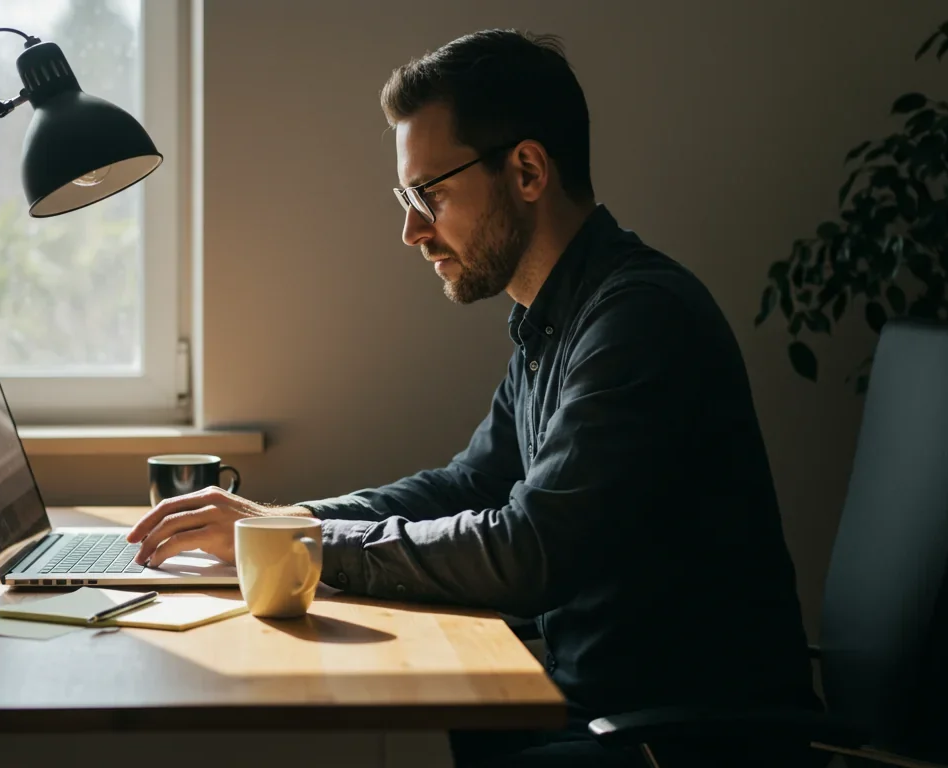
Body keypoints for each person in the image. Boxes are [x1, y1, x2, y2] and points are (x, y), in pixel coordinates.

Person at [126, 29, 819, 767]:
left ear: (526, 171)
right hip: (594, 708)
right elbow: (469, 485)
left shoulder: (639, 320)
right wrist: (285, 522)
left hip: (682, 741)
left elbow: (528, 552)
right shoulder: (556, 319)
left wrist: (297, 547)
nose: (411, 230)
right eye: (406, 196)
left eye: (429, 194)